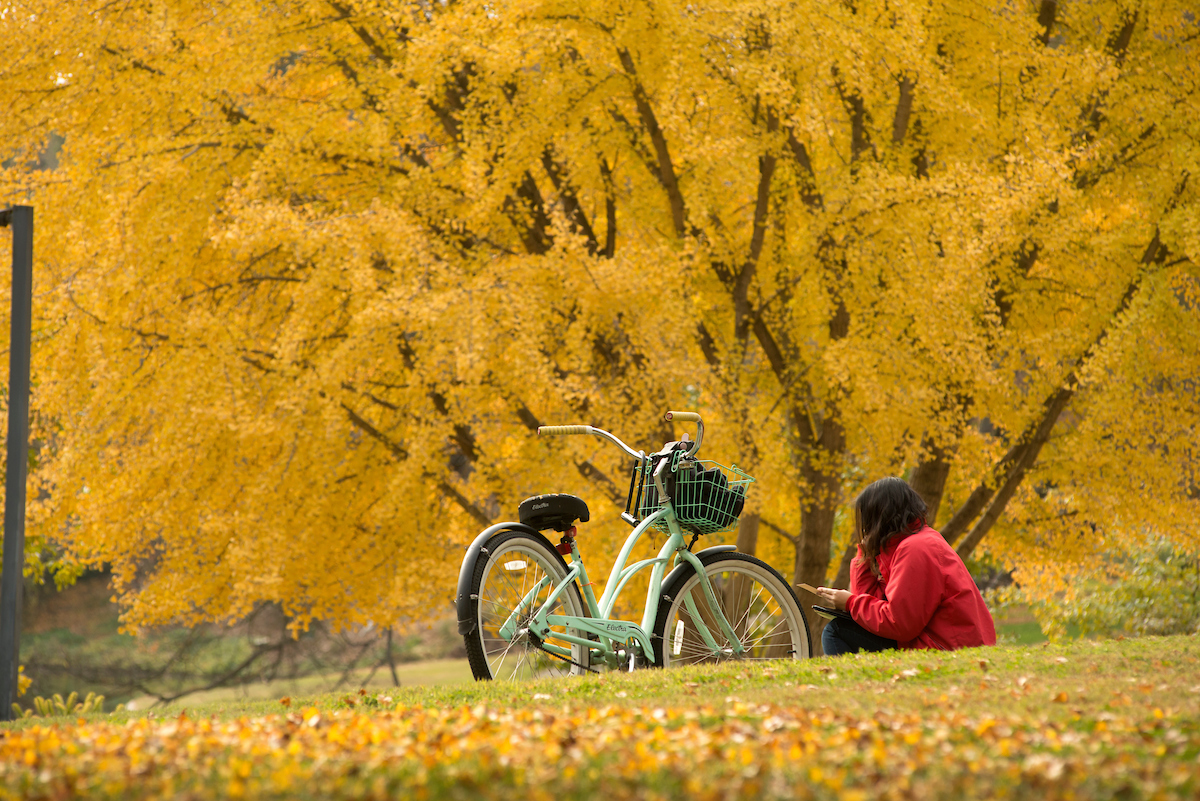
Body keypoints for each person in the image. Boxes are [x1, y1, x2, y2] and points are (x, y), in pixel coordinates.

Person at [815, 476, 996, 656]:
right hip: (943, 643)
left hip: (946, 650)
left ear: (880, 517)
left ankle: (848, 685)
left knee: (836, 631)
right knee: (844, 628)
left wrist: (850, 603)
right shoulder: (915, 542)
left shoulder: (915, 549)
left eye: (868, 521)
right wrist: (864, 554)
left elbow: (899, 623)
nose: (866, 528)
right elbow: (874, 609)